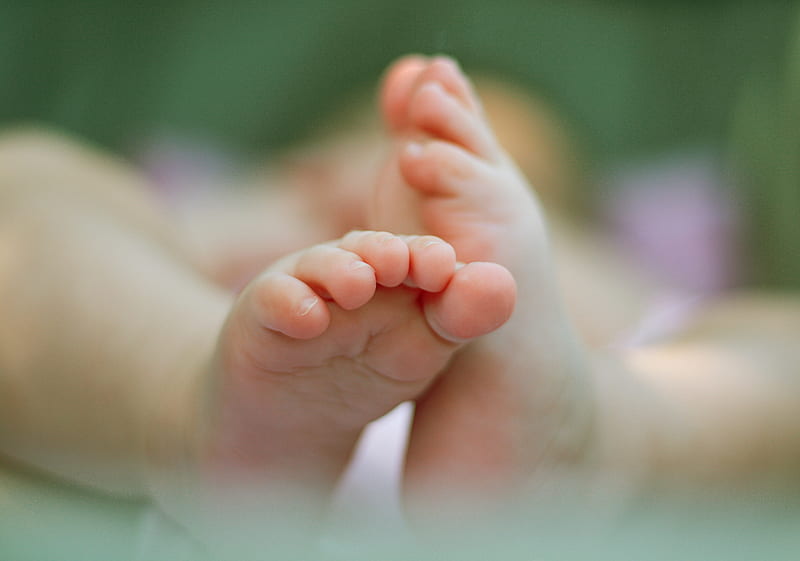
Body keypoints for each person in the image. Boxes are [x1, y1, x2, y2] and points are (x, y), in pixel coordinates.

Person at [1, 55, 799, 558]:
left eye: (515, 180)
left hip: (580, 408)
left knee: (774, 348)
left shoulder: (617, 272)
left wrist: (629, 375)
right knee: (30, 194)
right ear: (301, 166)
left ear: (574, 221)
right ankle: (190, 407)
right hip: (187, 385)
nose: (412, 188)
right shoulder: (220, 215)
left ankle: (598, 444)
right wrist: (248, 218)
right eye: (378, 150)